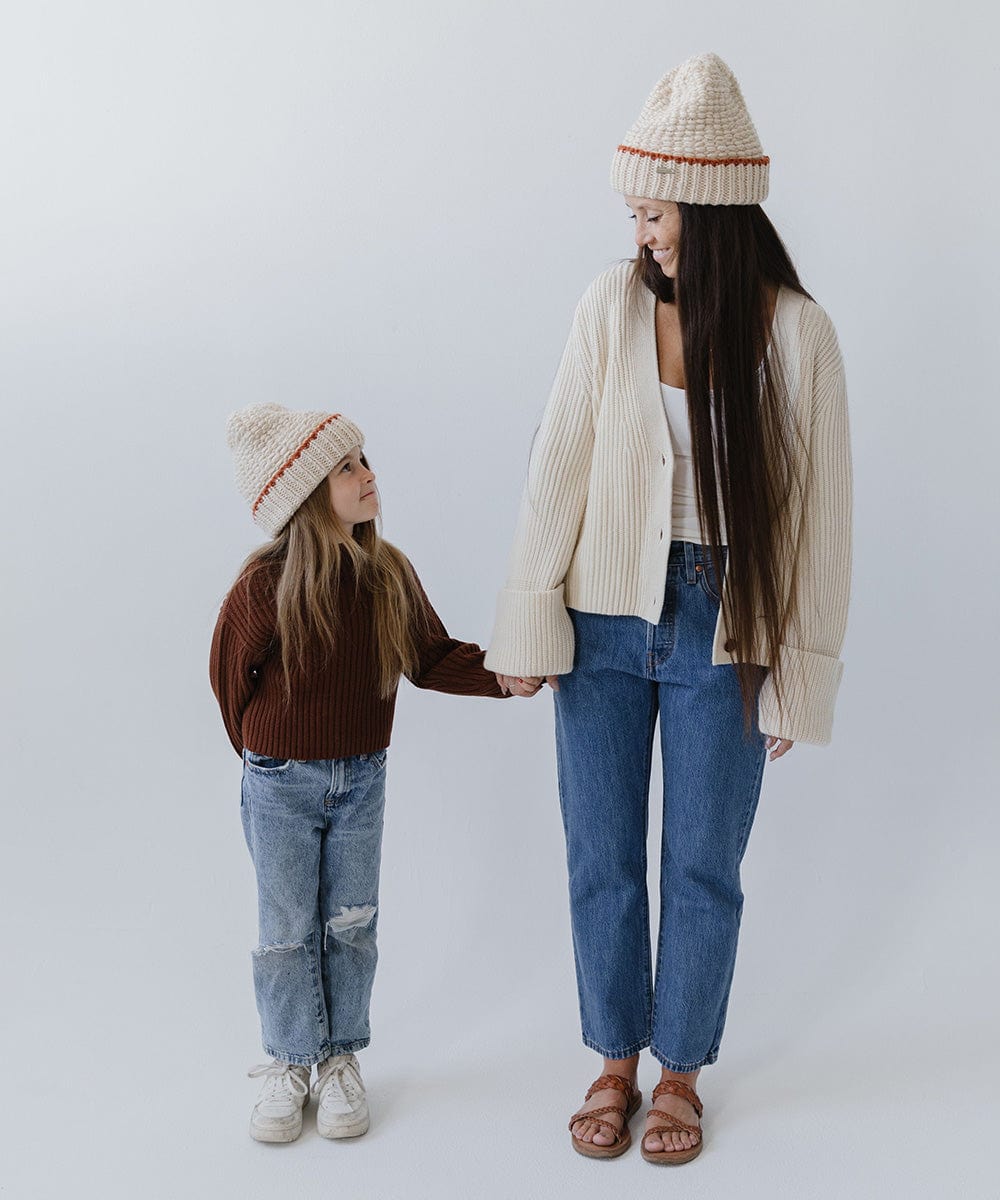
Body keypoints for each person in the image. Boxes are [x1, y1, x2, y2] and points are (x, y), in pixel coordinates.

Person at [486, 53, 852, 1165]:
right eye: (635, 212)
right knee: (600, 853)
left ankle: (680, 1071)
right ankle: (611, 1057)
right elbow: (558, 466)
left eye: (653, 211)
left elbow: (820, 516)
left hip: (721, 624)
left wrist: (799, 667)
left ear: (708, 208)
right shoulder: (608, 305)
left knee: (700, 862)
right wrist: (529, 623)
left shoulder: (796, 333)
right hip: (600, 619)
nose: (640, 231)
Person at [210, 403, 533, 1143]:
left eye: (364, 460)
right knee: (288, 929)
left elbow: (429, 656)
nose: (368, 475)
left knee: (351, 923)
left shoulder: (387, 573)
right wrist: (268, 758)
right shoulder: (265, 584)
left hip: (361, 780)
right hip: (281, 781)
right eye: (347, 468)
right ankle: (292, 1060)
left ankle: (341, 1058)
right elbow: (230, 679)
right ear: (304, 494)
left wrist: (503, 674)